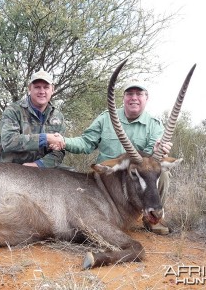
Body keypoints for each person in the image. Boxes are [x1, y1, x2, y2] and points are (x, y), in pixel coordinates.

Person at [49, 79, 172, 235]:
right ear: (124, 98)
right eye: (129, 93)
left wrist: (156, 153)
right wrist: (63, 141)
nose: (134, 97)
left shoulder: (154, 125)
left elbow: (147, 165)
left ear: (146, 98)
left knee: (163, 173)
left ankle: (151, 217)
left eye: (139, 93)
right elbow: (86, 143)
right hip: (106, 180)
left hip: (132, 178)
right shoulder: (106, 118)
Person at [0, 69, 65, 168]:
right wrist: (45, 139)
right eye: (37, 87)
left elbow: (59, 153)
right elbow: (8, 142)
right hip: (9, 166)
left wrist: (39, 164)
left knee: (74, 176)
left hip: (39, 167)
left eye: (46, 87)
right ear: (30, 88)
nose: (42, 91)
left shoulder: (58, 117)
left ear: (52, 89)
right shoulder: (13, 110)